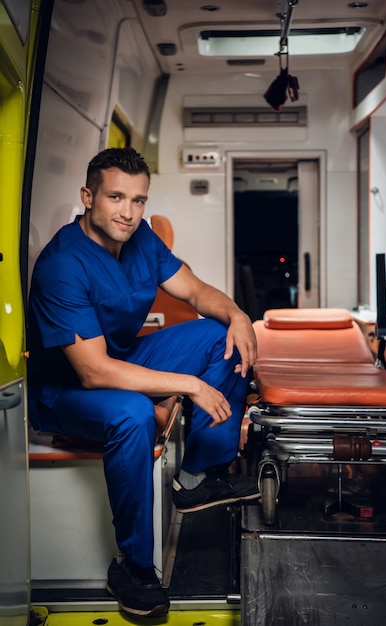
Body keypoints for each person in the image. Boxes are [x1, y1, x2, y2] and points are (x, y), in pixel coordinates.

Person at [28, 147, 259, 618]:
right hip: (67, 390)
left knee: (223, 337)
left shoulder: (141, 240)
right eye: (116, 198)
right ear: (87, 196)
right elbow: (93, 371)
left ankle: (196, 475)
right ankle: (133, 567)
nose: (129, 213)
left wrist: (239, 315)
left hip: (123, 356)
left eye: (138, 200)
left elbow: (193, 290)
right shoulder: (62, 264)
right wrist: (188, 386)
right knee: (132, 414)